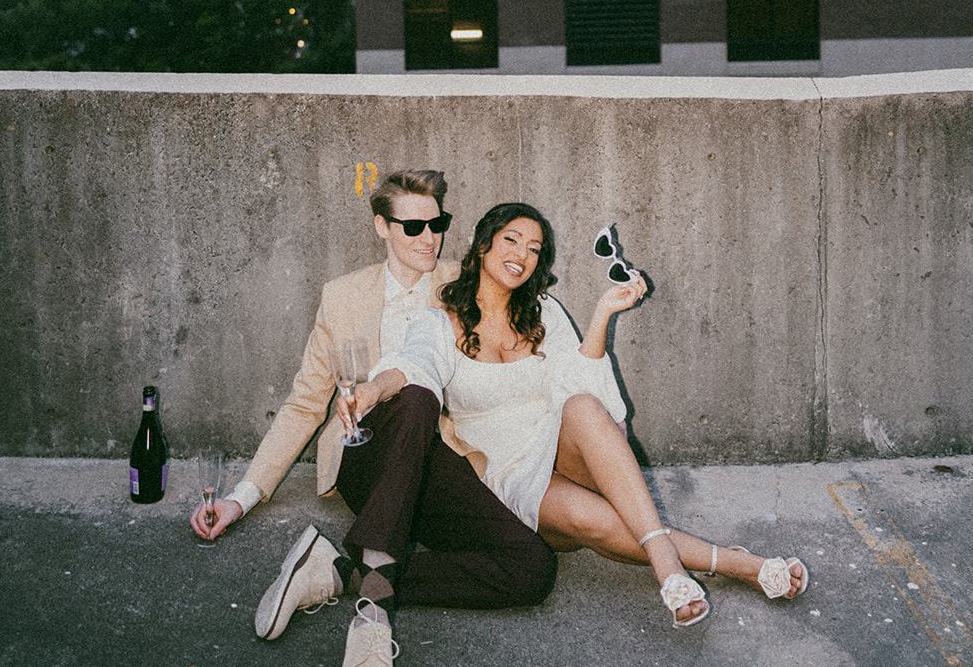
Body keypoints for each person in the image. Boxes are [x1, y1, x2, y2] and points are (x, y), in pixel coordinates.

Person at [190, 172, 557, 667]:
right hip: (364, 457)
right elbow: (304, 405)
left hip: (439, 464)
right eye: (413, 225)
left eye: (438, 223)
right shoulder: (342, 297)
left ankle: (340, 571)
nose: (429, 237)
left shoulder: (463, 289)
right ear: (382, 228)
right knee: (410, 397)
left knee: (533, 569)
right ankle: (373, 618)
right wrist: (243, 496)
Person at [345, 203, 809, 630]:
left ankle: (669, 567)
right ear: (483, 244)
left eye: (534, 249)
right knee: (600, 522)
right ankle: (739, 563)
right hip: (510, 471)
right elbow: (416, 366)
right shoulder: (440, 320)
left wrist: (603, 313)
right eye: (511, 239)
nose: (522, 254)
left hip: (563, 441)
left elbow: (579, 385)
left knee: (583, 407)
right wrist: (372, 389)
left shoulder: (543, 311)